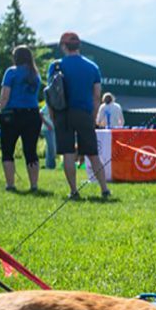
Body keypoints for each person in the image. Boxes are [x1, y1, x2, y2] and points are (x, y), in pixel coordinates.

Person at [49, 31, 110, 200]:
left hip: (63, 113)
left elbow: (51, 94)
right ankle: (104, 189)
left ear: (63, 46)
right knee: (92, 153)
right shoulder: (92, 67)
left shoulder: (55, 66)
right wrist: (93, 116)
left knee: (68, 153)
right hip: (84, 113)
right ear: (78, 46)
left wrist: (53, 116)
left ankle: (74, 191)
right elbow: (97, 95)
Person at [0, 46, 44, 192]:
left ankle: (10, 184)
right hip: (32, 114)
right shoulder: (35, 74)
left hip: (12, 114)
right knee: (31, 151)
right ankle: (34, 185)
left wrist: (0, 109)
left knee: (8, 150)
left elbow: (5, 95)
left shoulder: (11, 72)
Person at [40, 102, 57, 169]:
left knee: (52, 147)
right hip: (47, 129)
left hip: (53, 129)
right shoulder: (48, 105)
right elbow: (40, 113)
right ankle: (50, 165)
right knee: (51, 147)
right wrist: (47, 124)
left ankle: (49, 164)